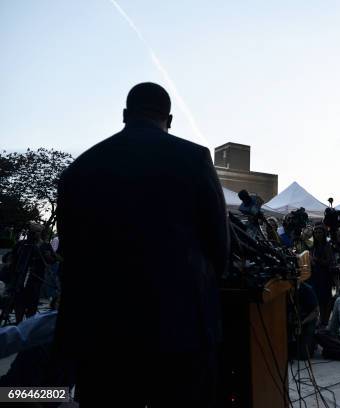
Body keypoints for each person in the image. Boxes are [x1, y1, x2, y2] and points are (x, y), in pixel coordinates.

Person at [55, 83, 229, 406]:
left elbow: (70, 252)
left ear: (124, 115)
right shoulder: (195, 159)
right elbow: (220, 248)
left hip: (101, 335)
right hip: (180, 332)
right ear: (170, 119)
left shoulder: (77, 171)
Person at [308, 223, 335, 326]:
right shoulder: (314, 246)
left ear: (324, 234)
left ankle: (325, 320)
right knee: (319, 299)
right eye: (316, 232)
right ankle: (322, 319)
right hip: (316, 275)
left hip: (325, 275)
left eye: (320, 232)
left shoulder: (326, 245)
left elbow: (329, 261)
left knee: (326, 299)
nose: (317, 234)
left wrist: (316, 260)